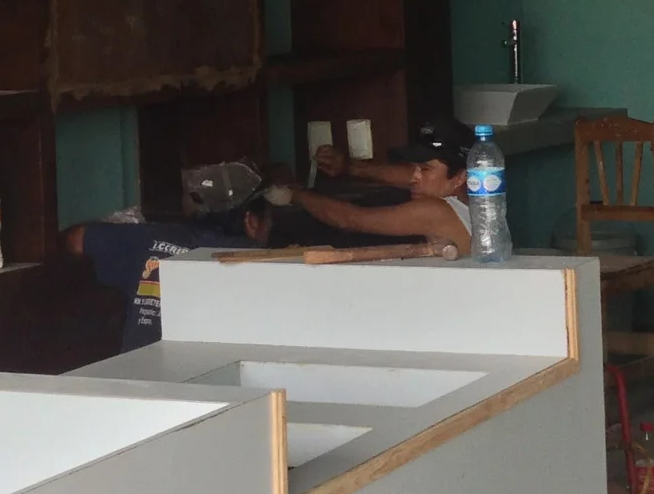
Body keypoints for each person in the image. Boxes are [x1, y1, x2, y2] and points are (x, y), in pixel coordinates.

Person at [65, 198, 269, 352]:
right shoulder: (262, 265)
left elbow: (76, 239)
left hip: (139, 373)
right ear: (251, 222)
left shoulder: (152, 237)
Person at [282, 117, 475, 256]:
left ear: (460, 177)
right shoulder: (472, 201)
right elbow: (405, 175)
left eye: (424, 169)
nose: (413, 177)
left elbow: (349, 219)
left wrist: (293, 194)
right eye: (414, 167)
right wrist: (348, 167)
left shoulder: (436, 211)